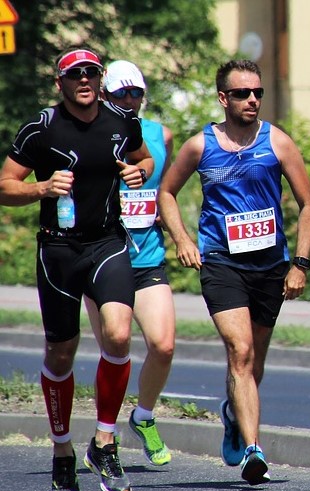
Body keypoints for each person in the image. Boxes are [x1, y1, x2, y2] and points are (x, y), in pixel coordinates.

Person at [0, 47, 154, 491]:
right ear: (60, 82)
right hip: (59, 249)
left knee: (119, 335)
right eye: (75, 74)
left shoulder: (120, 119)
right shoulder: (42, 128)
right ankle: (62, 451)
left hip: (107, 242)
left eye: (91, 73)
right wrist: (42, 188)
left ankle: (104, 441)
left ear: (101, 78)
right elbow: (5, 185)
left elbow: (143, 160)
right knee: (62, 354)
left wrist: (136, 172)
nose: (84, 79)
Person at [157, 59, 310, 486]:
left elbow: (309, 205)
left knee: (254, 362)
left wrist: (299, 264)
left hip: (269, 266)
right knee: (240, 351)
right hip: (222, 263)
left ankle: (233, 413)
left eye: (258, 93)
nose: (253, 100)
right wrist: (183, 240)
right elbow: (166, 193)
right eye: (244, 94)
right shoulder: (199, 146)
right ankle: (253, 450)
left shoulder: (277, 142)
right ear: (223, 98)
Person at [83, 60, 175, 467]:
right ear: (105, 95)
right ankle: (106, 437)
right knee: (114, 353)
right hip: (102, 256)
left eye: (137, 93)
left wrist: (160, 211)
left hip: (147, 254)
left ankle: (144, 416)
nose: (131, 101)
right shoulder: (90, 132)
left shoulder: (160, 135)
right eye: (122, 94)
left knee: (164, 345)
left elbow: (162, 185)